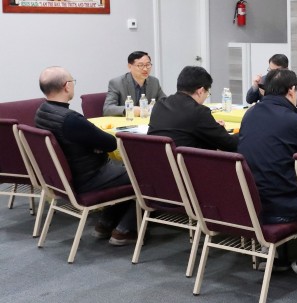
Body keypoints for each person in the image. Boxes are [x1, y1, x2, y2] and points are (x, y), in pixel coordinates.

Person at [34, 66, 137, 246]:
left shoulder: (41, 111)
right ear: (67, 86)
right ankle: (124, 230)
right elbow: (110, 143)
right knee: (143, 175)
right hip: (89, 177)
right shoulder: (71, 119)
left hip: (63, 178)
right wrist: (95, 147)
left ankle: (105, 224)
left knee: (124, 170)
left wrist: (92, 146)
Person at [239, 68, 297, 271]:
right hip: (282, 208)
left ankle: (275, 253)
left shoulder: (250, 114)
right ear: (291, 90)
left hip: (250, 204)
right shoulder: (293, 121)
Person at [148, 66, 238, 151]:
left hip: (155, 160)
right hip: (184, 161)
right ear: (201, 91)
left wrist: (212, 126)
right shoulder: (199, 112)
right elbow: (229, 144)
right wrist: (243, 133)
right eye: (207, 93)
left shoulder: (160, 105)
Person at [103, 51, 166, 117]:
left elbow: (165, 102)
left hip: (148, 121)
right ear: (130, 66)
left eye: (148, 65)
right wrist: (129, 109)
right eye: (140, 65)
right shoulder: (117, 83)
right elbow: (107, 109)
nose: (145, 69)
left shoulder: (154, 82)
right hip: (127, 121)